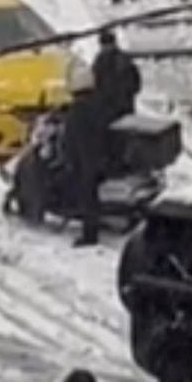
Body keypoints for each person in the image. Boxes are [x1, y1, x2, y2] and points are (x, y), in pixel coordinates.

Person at [62, 62, 112, 247]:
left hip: (84, 160)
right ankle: (93, 225)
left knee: (87, 196)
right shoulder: (98, 104)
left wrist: (69, 158)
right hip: (99, 156)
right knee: (92, 195)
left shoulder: (77, 110)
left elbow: (70, 138)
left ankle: (89, 234)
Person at [93, 28, 141, 123]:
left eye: (106, 44)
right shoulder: (123, 58)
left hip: (113, 106)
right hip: (118, 105)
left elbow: (95, 83)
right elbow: (136, 84)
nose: (105, 47)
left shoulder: (101, 61)